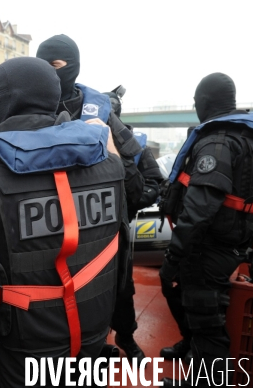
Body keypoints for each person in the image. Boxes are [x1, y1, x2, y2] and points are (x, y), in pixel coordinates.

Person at [0, 56, 128, 388]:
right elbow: (122, 252)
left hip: (24, 346)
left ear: (3, 100)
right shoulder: (109, 166)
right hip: (94, 332)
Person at [158, 72, 253, 386]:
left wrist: (174, 256)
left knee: (207, 322)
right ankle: (191, 347)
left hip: (208, 248)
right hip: (234, 243)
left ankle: (207, 379)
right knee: (195, 308)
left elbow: (200, 208)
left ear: (205, 102)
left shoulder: (218, 141)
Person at [37, 34, 149, 362]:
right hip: (54, 218)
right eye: (42, 66)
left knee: (118, 285)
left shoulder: (101, 112)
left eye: (55, 65)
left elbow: (135, 166)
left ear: (72, 66)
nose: (49, 73)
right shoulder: (29, 105)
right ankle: (81, 347)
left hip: (102, 215)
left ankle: (123, 337)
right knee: (63, 289)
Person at [102, 88, 164, 364]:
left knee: (123, 289)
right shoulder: (78, 138)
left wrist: (132, 200)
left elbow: (154, 182)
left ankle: (125, 336)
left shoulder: (134, 144)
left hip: (119, 229)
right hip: (83, 231)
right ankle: (94, 341)